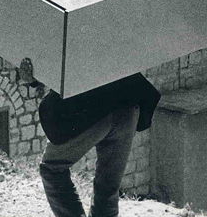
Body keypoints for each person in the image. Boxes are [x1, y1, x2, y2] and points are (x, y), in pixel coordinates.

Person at [38, 73, 161, 217]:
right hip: (128, 104)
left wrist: (34, 79)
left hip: (96, 105)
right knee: (108, 186)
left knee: (52, 167)